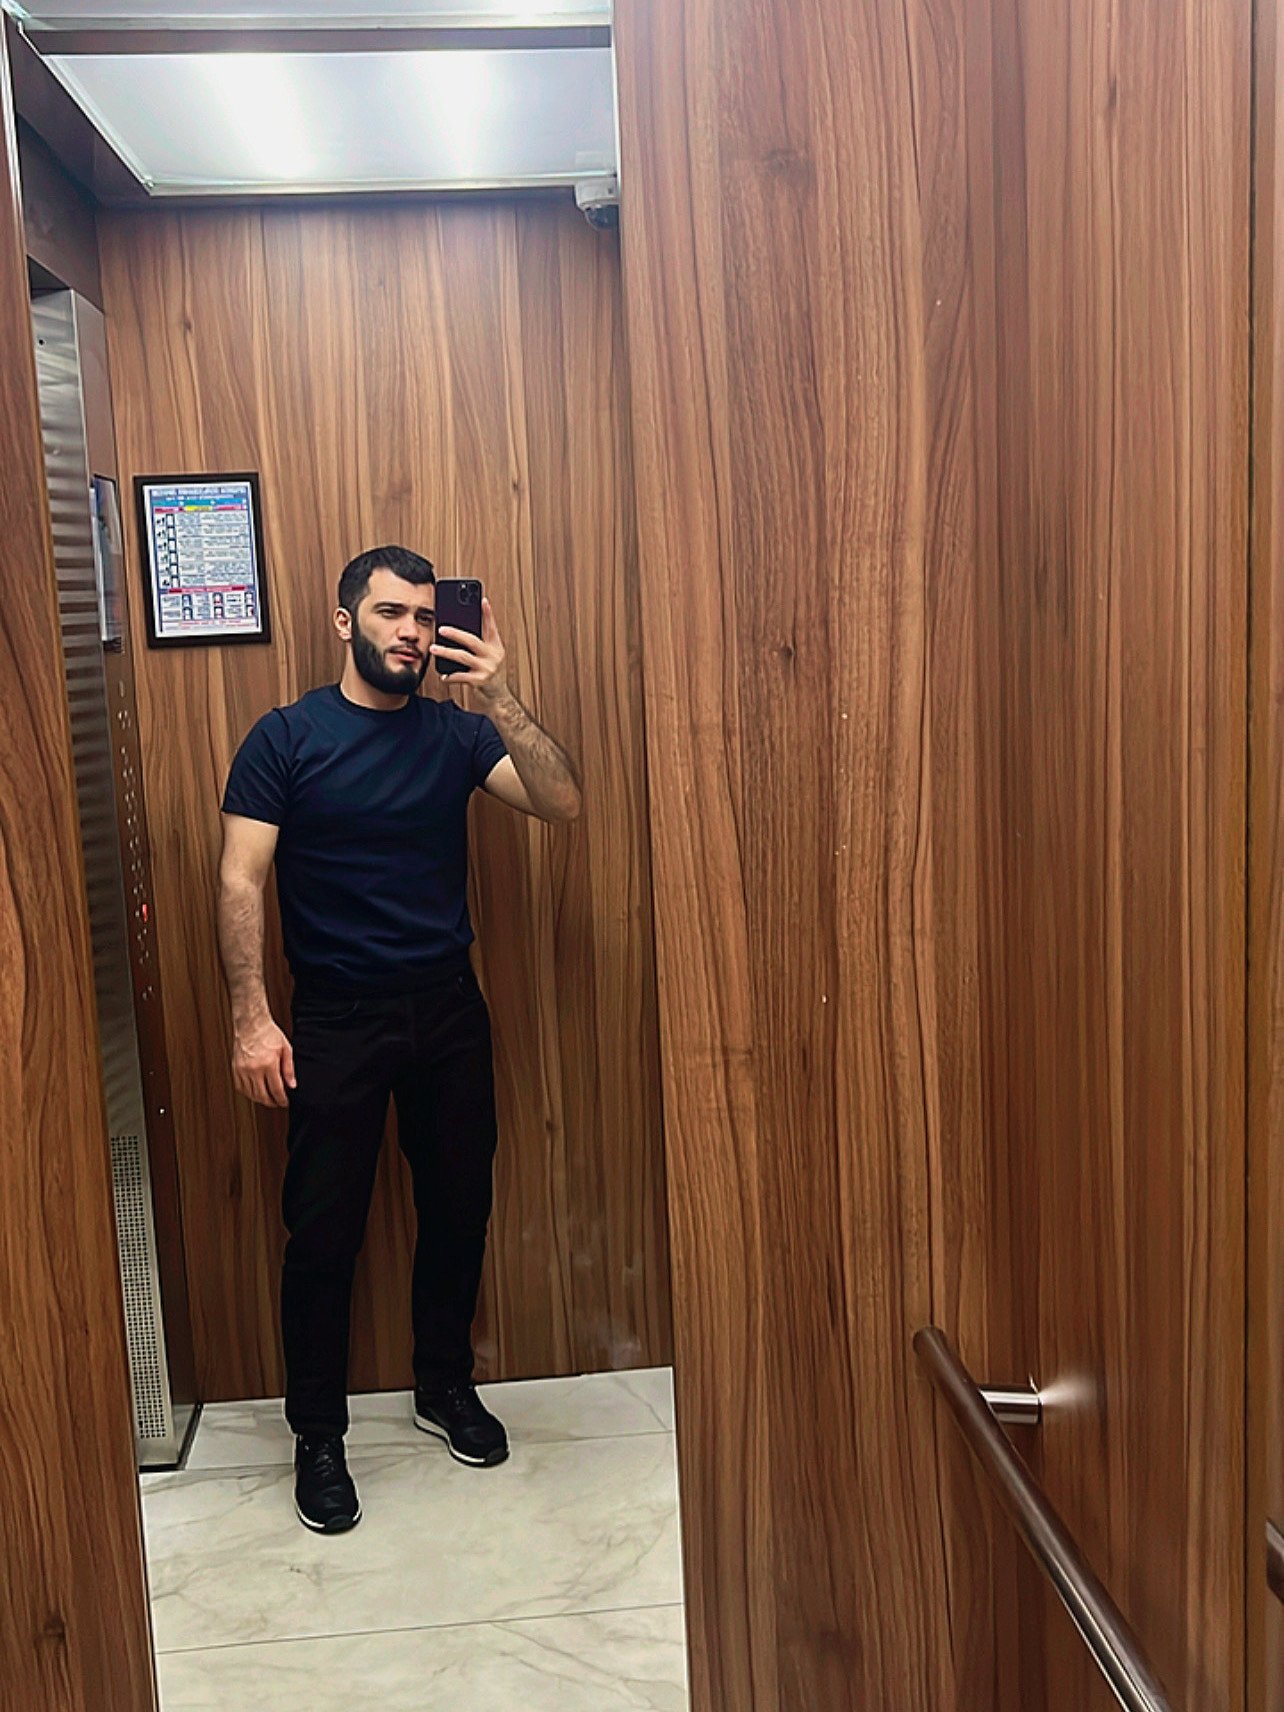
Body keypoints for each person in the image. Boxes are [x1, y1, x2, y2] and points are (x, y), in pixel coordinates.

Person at [216, 545, 581, 1534]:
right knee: (322, 1232)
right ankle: (317, 1432)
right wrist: (251, 1016)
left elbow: (562, 801)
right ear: (346, 623)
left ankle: (443, 1384)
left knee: (460, 1206)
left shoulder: (458, 736)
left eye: (424, 615)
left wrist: (498, 693)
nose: (412, 632)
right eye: (390, 613)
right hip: (335, 1015)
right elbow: (241, 877)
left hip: (446, 1006)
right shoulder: (285, 738)